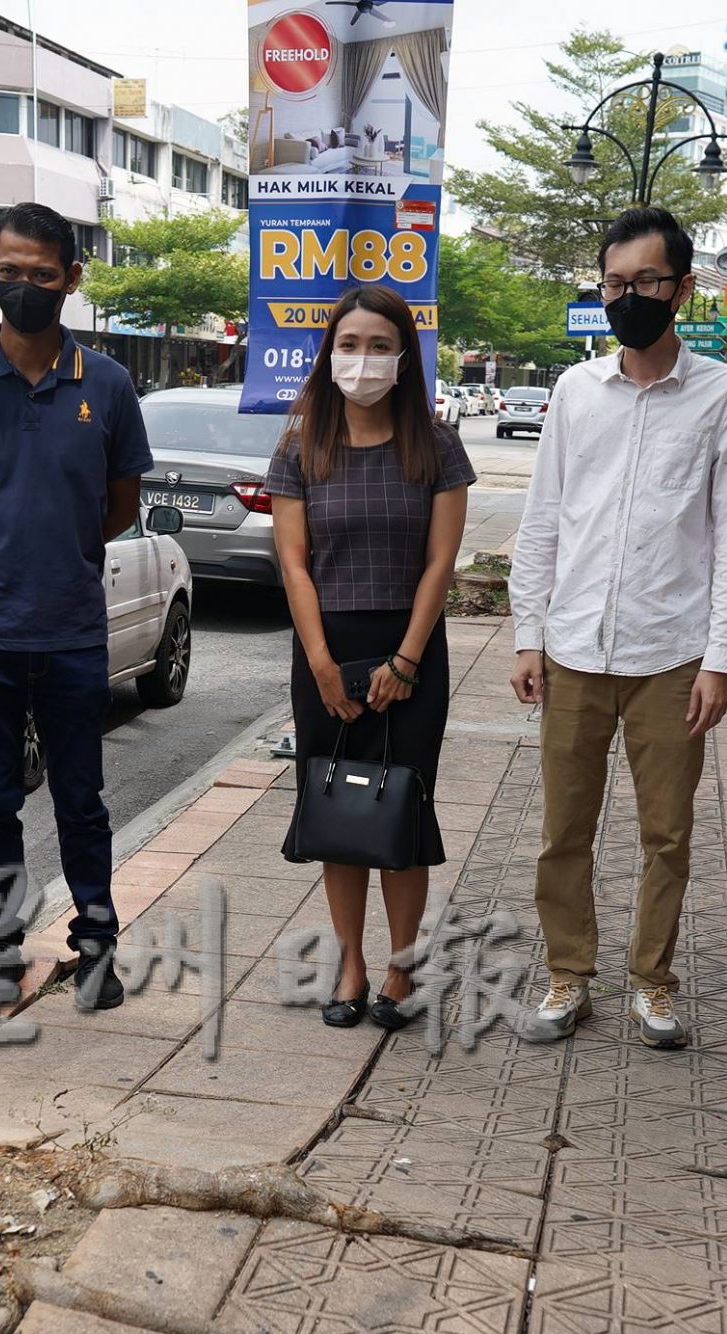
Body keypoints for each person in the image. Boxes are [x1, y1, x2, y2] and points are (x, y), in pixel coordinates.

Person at [509, 205, 727, 1049]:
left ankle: (653, 981)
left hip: (671, 652)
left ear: (682, 288)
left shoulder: (725, 393)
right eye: (614, 283)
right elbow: (543, 519)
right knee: (562, 831)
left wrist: (719, 660)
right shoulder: (576, 392)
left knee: (668, 835)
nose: (628, 297)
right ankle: (567, 976)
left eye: (645, 282)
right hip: (574, 644)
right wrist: (526, 635)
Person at [0, 202, 151, 1010]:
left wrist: (56, 554)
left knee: (82, 799)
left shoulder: (109, 386)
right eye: (10, 273)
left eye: (42, 276)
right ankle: (1, 949)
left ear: (72, 281)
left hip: (76, 632)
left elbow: (118, 506)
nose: (24, 288)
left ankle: (97, 943)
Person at [269, 283, 475, 1028]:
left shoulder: (435, 444)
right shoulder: (301, 446)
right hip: (327, 648)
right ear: (329, 355)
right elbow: (294, 564)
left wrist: (407, 661)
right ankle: (351, 964)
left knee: (401, 808)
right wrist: (322, 664)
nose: (363, 361)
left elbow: (439, 563)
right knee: (338, 803)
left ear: (403, 358)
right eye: (349, 346)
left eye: (379, 346)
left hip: (410, 647)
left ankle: (401, 967)